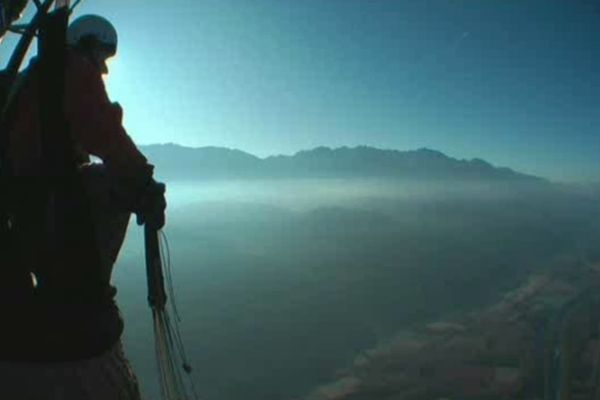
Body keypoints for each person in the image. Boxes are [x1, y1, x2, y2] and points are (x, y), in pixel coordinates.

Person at [0, 13, 165, 399]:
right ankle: (86, 283)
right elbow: (102, 130)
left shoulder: (27, 80)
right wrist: (143, 182)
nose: (105, 67)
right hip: (47, 195)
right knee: (114, 184)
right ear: (88, 44)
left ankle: (66, 281)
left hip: (21, 203)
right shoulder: (71, 69)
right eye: (102, 55)